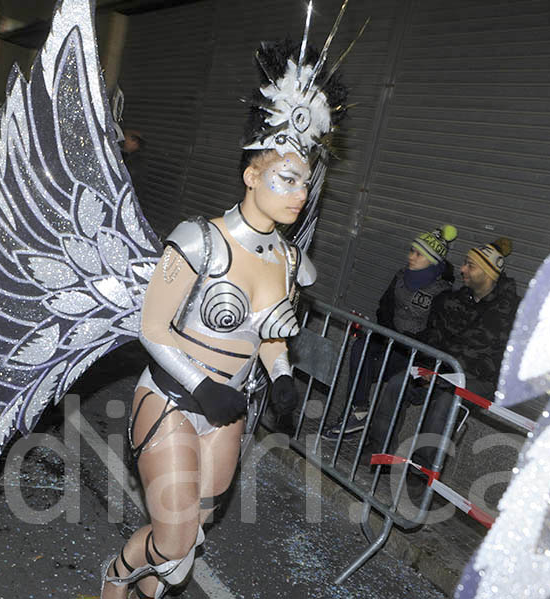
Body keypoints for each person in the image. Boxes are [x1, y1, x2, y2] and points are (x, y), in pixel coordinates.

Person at [100, 37, 350, 599]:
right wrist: (201, 387)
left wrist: (282, 375)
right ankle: (116, 576)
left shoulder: (288, 260)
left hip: (231, 406)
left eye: (306, 182)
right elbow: (152, 328)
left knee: (198, 524)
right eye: (287, 178)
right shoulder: (197, 241)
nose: (301, 193)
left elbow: (266, 333)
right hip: (171, 396)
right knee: (173, 539)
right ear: (251, 175)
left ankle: (149, 583)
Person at [364, 237, 520, 483]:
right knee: (399, 382)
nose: (462, 269)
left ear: (489, 274)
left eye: (470, 266)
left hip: (478, 379)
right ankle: (379, 454)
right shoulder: (453, 300)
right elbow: (433, 338)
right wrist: (421, 356)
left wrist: (445, 375)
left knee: (446, 401)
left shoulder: (509, 312)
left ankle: (422, 472)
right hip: (441, 370)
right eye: (464, 264)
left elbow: (493, 358)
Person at [323, 225, 456, 439]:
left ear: (432, 260)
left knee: (392, 378)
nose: (411, 257)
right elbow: (384, 307)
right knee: (361, 347)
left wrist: (407, 343)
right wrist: (387, 334)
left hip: (414, 356)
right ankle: (358, 412)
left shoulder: (443, 294)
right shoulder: (401, 276)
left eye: (418, 254)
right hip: (391, 344)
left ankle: (376, 439)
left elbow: (436, 333)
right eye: (412, 251)